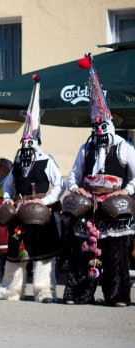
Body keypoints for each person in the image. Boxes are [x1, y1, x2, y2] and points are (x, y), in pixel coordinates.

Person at [63, 53, 135, 307]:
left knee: (116, 253)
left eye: (102, 124)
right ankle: (78, 293)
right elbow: (73, 176)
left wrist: (125, 191)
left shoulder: (124, 147)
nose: (99, 129)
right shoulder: (87, 147)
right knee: (84, 251)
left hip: (115, 207)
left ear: (110, 122)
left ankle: (117, 296)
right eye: (95, 125)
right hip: (90, 205)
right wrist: (75, 189)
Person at [0, 75, 65, 303]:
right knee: (16, 252)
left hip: (41, 212)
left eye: (28, 143)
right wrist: (10, 200)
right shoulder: (17, 160)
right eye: (23, 143)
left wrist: (47, 201)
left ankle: (44, 291)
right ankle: (11, 289)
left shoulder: (46, 159)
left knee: (43, 254)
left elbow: (59, 183)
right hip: (20, 213)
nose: (25, 146)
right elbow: (10, 184)